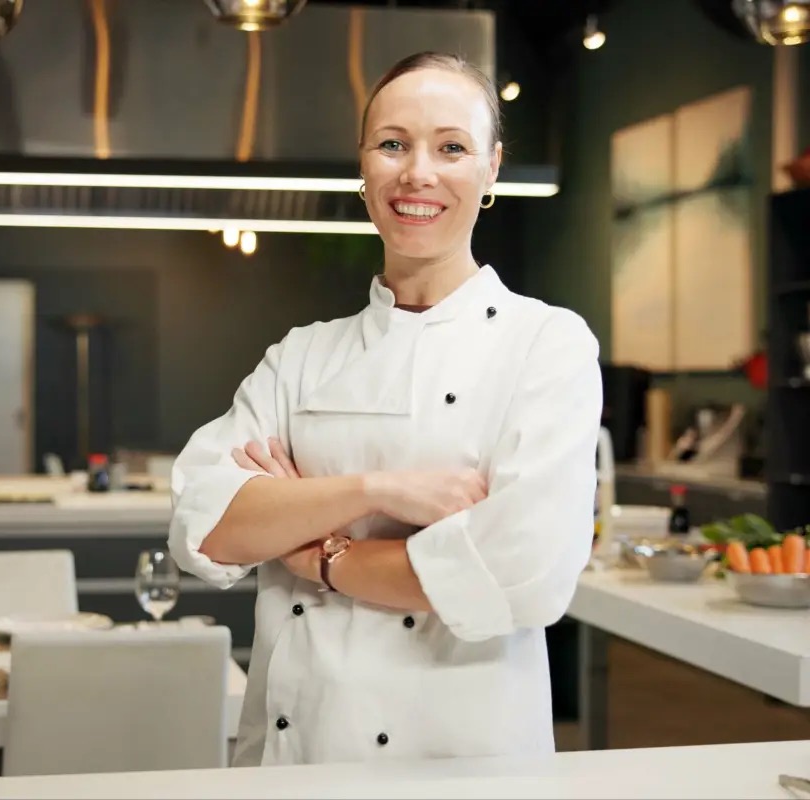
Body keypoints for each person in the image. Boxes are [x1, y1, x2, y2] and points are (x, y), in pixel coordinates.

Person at [168, 51, 602, 767]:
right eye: (393, 144)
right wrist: (379, 491)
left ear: (492, 169)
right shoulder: (302, 356)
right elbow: (206, 526)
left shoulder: (546, 344)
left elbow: (521, 574)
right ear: (364, 167)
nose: (417, 173)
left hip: (459, 763)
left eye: (452, 148)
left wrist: (316, 551)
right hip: (295, 760)